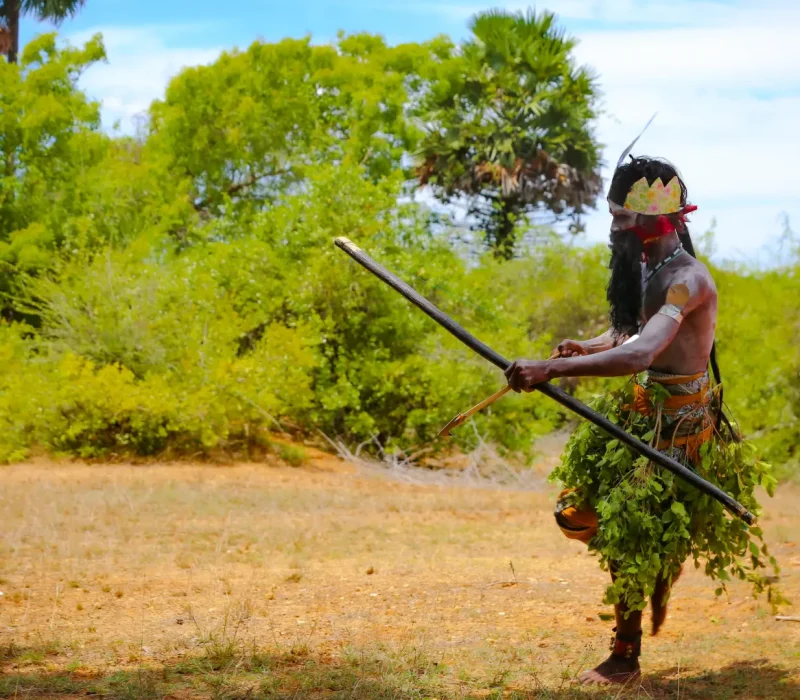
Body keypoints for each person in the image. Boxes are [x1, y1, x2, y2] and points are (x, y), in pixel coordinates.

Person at [504, 153, 779, 685]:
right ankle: (644, 591)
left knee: (632, 531)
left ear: (657, 219)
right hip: (640, 416)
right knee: (578, 515)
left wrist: (548, 369)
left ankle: (624, 658)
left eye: (623, 219)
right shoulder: (650, 268)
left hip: (679, 429)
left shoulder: (687, 281)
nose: (614, 229)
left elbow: (641, 354)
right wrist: (582, 349)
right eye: (613, 217)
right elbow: (629, 336)